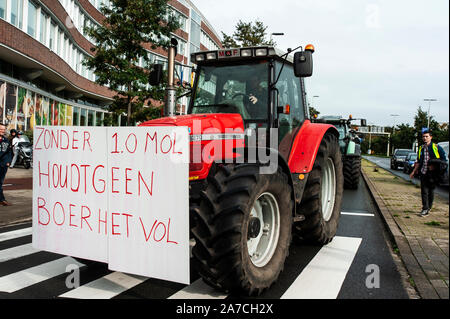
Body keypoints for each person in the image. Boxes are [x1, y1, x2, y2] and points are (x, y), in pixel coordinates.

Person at [409, 129, 447, 217]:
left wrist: (435, 165)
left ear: (431, 137)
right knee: (424, 191)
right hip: (423, 172)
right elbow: (419, 161)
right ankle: (425, 208)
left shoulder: (436, 147)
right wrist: (413, 172)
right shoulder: (421, 148)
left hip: (433, 174)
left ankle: (428, 207)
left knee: (430, 191)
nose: (425, 138)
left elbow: (444, 160)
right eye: (423, 137)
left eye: (427, 136)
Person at [0, 123, 13, 206]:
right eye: (1, 129)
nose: (3, 131)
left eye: (4, 129)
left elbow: (9, 152)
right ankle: (2, 199)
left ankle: (2, 200)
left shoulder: (6, 140)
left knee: (0, 182)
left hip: (3, 165)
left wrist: (8, 162)